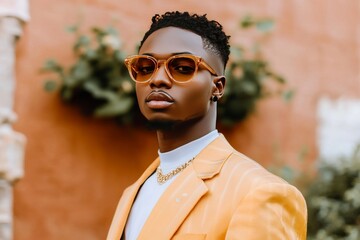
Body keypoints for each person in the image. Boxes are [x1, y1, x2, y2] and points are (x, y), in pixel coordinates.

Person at [107, 11, 307, 240]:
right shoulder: (132, 192)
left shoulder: (258, 192)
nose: (157, 79)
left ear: (218, 87)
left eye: (182, 67)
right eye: (145, 68)